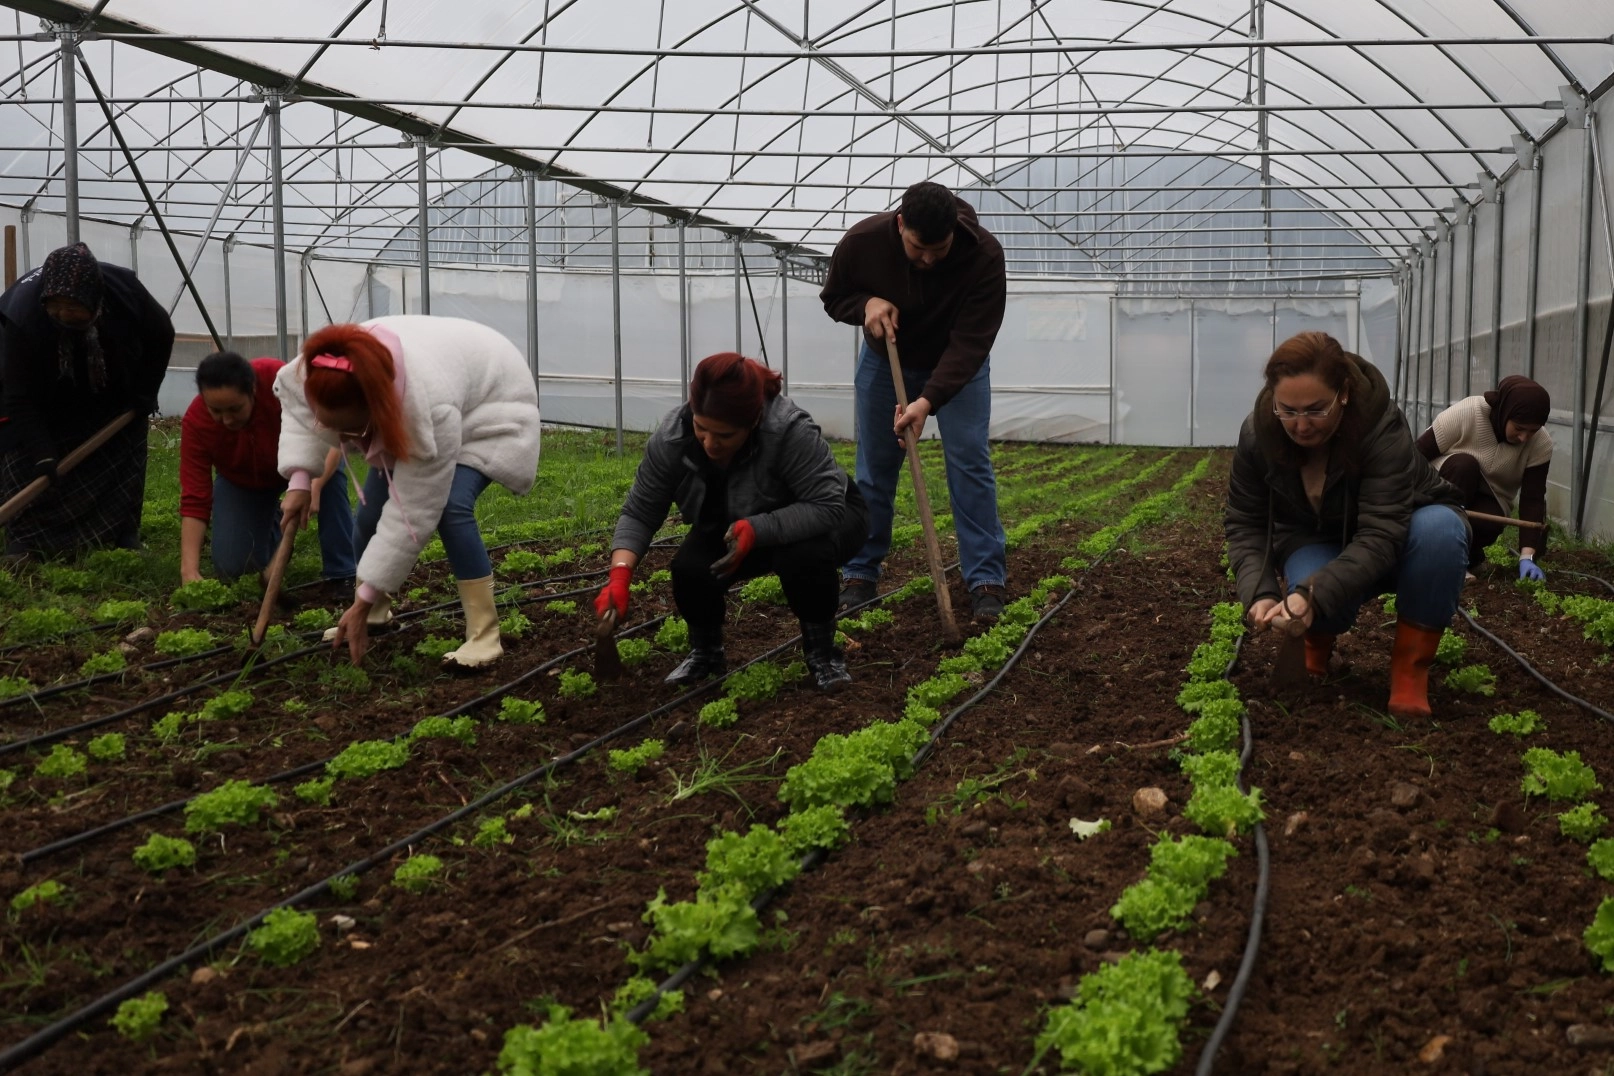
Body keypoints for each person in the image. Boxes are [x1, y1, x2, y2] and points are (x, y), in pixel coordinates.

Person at [1225, 331, 1470, 719]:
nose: (1301, 425)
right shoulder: (1258, 436)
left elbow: (1381, 533)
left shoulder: (1380, 429)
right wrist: (1259, 592)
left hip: (1404, 532)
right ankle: (1314, 645)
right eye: (1287, 410)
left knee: (1440, 531)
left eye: (1315, 410)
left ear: (1343, 393)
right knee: (1318, 600)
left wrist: (1312, 594)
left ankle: (1410, 671)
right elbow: (1246, 522)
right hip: (1316, 536)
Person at [275, 316, 540, 668]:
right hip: (440, 387)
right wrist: (298, 480)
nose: (346, 441)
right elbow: (299, 414)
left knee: (450, 508)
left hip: (491, 406)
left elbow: (414, 511)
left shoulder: (428, 406)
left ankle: (485, 634)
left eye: (353, 430)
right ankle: (373, 613)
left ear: (378, 409)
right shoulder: (320, 371)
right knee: (370, 515)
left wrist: (363, 596)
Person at [596, 352, 867, 693]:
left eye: (724, 435)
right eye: (701, 428)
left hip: (825, 517)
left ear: (752, 422)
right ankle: (706, 653)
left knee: (802, 556)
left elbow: (827, 505)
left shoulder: (787, 430)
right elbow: (639, 511)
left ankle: (823, 653)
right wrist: (620, 576)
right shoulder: (672, 438)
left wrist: (758, 529)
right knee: (690, 569)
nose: (709, 443)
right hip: (732, 522)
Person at [820, 180, 1008, 622]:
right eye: (918, 247)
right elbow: (834, 298)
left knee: (969, 463)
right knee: (875, 467)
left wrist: (928, 401)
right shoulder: (863, 242)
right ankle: (860, 573)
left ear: (955, 233)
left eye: (938, 250)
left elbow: (972, 342)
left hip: (957, 367)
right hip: (887, 364)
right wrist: (865, 303)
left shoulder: (983, 255)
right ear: (900, 223)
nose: (927, 259)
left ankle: (985, 580)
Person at [0, 242, 172, 556]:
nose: (64, 315)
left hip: (110, 387)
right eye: (56, 306)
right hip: (41, 396)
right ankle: (24, 540)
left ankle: (123, 532)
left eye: (73, 306)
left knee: (124, 447)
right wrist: (42, 454)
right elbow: (18, 396)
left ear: (94, 298)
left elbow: (162, 334)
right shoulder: (24, 316)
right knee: (24, 453)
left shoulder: (124, 292)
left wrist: (145, 392)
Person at [179, 350, 356, 591]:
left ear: (252, 390)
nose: (227, 419)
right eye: (217, 411)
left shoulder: (279, 379)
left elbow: (330, 431)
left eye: (234, 409)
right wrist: (189, 570)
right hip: (244, 481)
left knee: (329, 479)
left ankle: (343, 571)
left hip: (304, 459)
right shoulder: (196, 422)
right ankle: (273, 523)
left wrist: (313, 485)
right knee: (234, 568)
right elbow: (194, 497)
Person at [1417, 375, 1553, 581]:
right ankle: (1440, 554)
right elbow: (1416, 455)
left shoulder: (1541, 444)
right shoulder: (1466, 413)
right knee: (1465, 466)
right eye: (1518, 428)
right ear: (1505, 411)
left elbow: (1532, 499)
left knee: (1491, 520)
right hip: (1442, 487)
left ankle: (1467, 557)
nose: (1524, 437)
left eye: (1532, 431)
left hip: (1487, 495)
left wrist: (1528, 556)